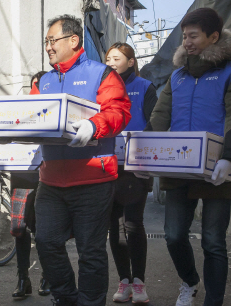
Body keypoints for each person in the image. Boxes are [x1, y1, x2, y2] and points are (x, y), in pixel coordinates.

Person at [145, 8, 231, 306]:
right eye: (184, 36)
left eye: (193, 36)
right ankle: (190, 281)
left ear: (213, 37)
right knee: (174, 235)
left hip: (217, 168)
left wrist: (229, 158)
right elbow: (159, 116)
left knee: (213, 242)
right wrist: (142, 157)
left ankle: (213, 301)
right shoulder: (177, 77)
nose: (187, 42)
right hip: (178, 168)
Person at [31, 15, 131, 306]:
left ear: (73, 40)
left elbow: (119, 111)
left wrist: (94, 125)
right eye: (46, 41)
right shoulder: (44, 81)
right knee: (47, 242)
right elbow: (33, 117)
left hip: (93, 180)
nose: (48, 47)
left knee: (91, 252)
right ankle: (66, 298)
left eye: (53, 40)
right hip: (50, 181)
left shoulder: (102, 74)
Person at [105, 42, 157, 304]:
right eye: (108, 59)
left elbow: (155, 121)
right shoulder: (101, 89)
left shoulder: (145, 87)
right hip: (109, 163)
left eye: (117, 58)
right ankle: (124, 280)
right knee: (114, 225)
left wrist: (138, 147)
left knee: (133, 223)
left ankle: (139, 282)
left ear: (131, 62)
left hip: (137, 164)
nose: (111, 62)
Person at [9, 71, 51, 299]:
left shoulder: (55, 108)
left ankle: (48, 275)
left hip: (47, 177)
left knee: (44, 230)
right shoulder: (19, 109)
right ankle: (23, 278)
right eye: (37, 85)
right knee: (19, 229)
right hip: (22, 176)